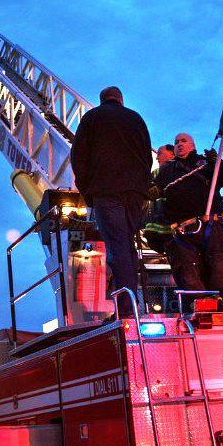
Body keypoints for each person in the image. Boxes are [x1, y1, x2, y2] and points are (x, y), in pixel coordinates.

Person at [71, 86, 152, 317]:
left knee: (117, 249)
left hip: (107, 193)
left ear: (102, 99)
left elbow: (79, 158)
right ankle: (134, 301)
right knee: (127, 245)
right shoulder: (136, 119)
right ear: (121, 99)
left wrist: (89, 193)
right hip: (135, 194)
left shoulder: (92, 118)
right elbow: (147, 157)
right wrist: (141, 187)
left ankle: (127, 309)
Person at [154, 133, 223, 292]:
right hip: (184, 232)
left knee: (221, 269)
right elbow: (154, 191)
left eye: (183, 141)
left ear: (192, 145)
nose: (179, 144)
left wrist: (217, 163)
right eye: (176, 142)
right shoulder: (166, 171)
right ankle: (198, 307)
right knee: (189, 276)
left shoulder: (205, 163)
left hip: (213, 226)